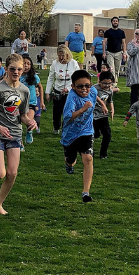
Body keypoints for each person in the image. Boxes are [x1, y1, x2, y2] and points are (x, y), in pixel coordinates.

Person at [0, 54, 37, 215]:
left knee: (12, 173)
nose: (16, 72)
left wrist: (30, 122)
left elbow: (23, 115)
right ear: (6, 69)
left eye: (19, 69)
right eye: (13, 69)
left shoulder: (24, 90)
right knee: (0, 174)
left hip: (15, 134)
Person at [61, 70, 99, 202]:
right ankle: (69, 163)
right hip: (70, 134)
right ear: (73, 87)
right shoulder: (71, 99)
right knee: (71, 159)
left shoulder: (92, 91)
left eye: (87, 86)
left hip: (86, 131)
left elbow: (95, 95)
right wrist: (83, 109)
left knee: (88, 158)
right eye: (80, 86)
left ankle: (86, 192)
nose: (84, 89)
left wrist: (103, 104)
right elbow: (67, 118)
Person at [46, 45, 80, 134]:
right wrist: (47, 92)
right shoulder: (54, 63)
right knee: (57, 111)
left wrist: (68, 88)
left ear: (67, 54)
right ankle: (56, 127)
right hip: (58, 90)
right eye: (59, 56)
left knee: (69, 111)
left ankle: (66, 128)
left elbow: (78, 78)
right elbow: (50, 78)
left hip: (70, 91)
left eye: (63, 56)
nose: (61, 58)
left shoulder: (74, 63)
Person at [20, 56, 44, 145]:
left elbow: (40, 87)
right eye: (24, 63)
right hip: (19, 103)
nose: (26, 66)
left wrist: (41, 102)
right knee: (17, 125)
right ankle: (20, 143)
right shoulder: (17, 75)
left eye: (28, 64)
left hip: (31, 103)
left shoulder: (34, 77)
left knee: (29, 121)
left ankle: (29, 132)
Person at [92, 71, 114, 159]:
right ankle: (90, 152)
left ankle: (103, 154)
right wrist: (102, 104)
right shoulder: (94, 88)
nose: (107, 86)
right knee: (95, 134)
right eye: (105, 83)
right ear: (99, 81)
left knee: (107, 134)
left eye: (109, 83)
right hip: (93, 115)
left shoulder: (110, 91)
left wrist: (112, 110)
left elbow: (110, 101)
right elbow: (92, 95)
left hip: (103, 115)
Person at [103, 17, 127, 82]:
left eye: (116, 21)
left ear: (118, 22)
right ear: (112, 22)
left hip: (118, 52)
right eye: (114, 21)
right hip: (109, 52)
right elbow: (104, 42)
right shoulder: (108, 32)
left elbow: (123, 43)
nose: (115, 22)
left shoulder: (121, 32)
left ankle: (115, 82)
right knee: (111, 68)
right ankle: (112, 83)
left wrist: (124, 53)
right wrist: (104, 52)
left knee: (117, 69)